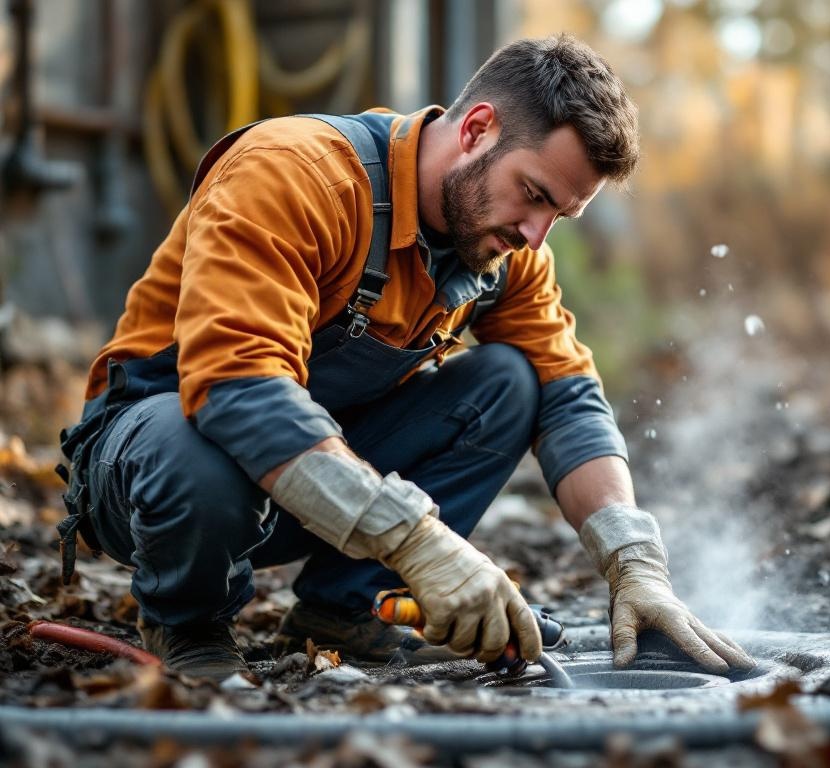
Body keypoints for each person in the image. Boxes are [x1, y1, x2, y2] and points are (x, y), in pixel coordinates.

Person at [57, 34, 756, 680]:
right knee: (195, 445)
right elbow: (236, 387)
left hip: (303, 489)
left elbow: (566, 392)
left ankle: (345, 612)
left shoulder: (503, 247)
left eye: (558, 217)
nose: (536, 236)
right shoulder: (296, 175)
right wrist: (418, 543)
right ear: (477, 129)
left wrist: (635, 566)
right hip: (156, 476)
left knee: (512, 381)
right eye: (534, 196)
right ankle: (190, 627)